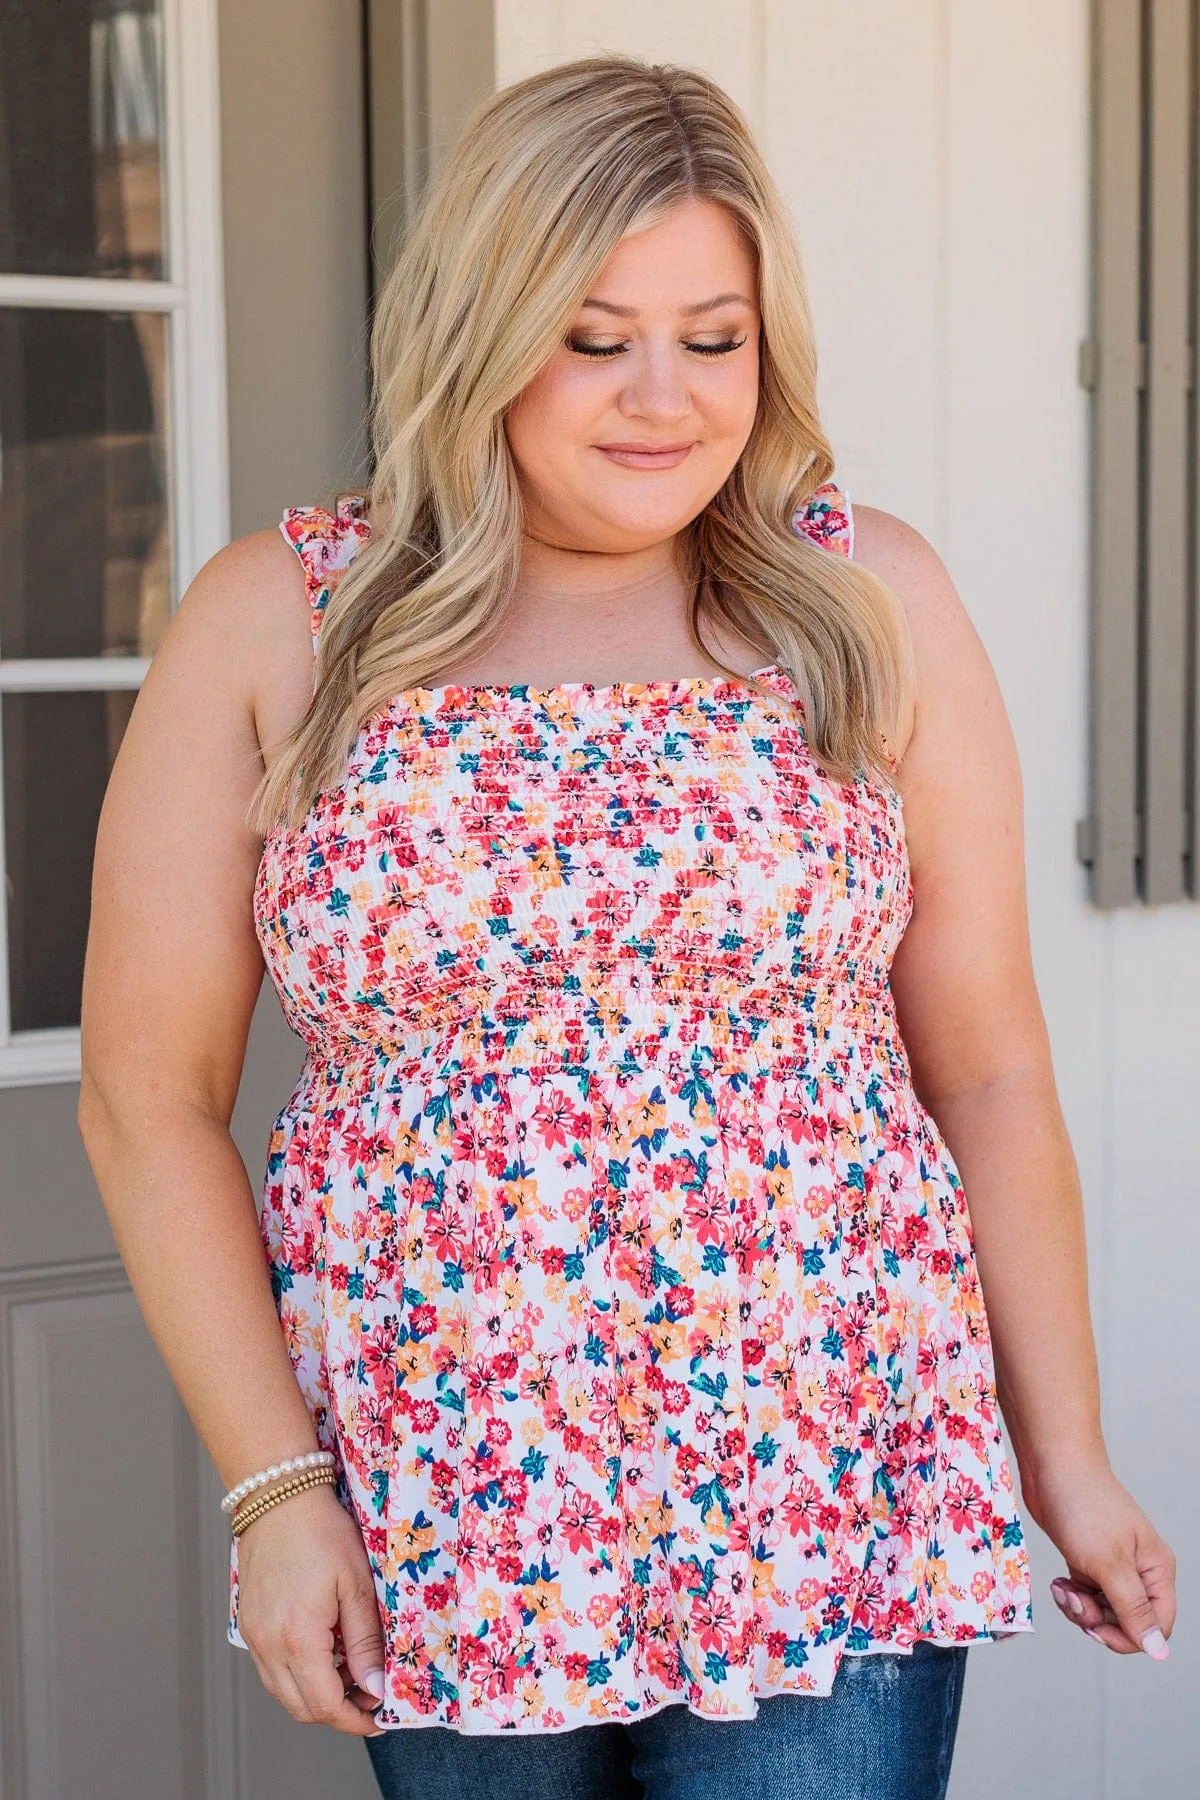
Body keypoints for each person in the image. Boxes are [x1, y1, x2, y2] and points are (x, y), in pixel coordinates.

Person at [77, 53, 1177, 1800]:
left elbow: (989, 1073)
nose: (663, 397)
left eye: (712, 335)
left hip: (827, 1471)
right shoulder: (285, 623)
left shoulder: (865, 604)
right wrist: (279, 1492)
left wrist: (1075, 1463)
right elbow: (143, 1092)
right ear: (481, 328)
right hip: (452, 1489)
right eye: (594, 337)